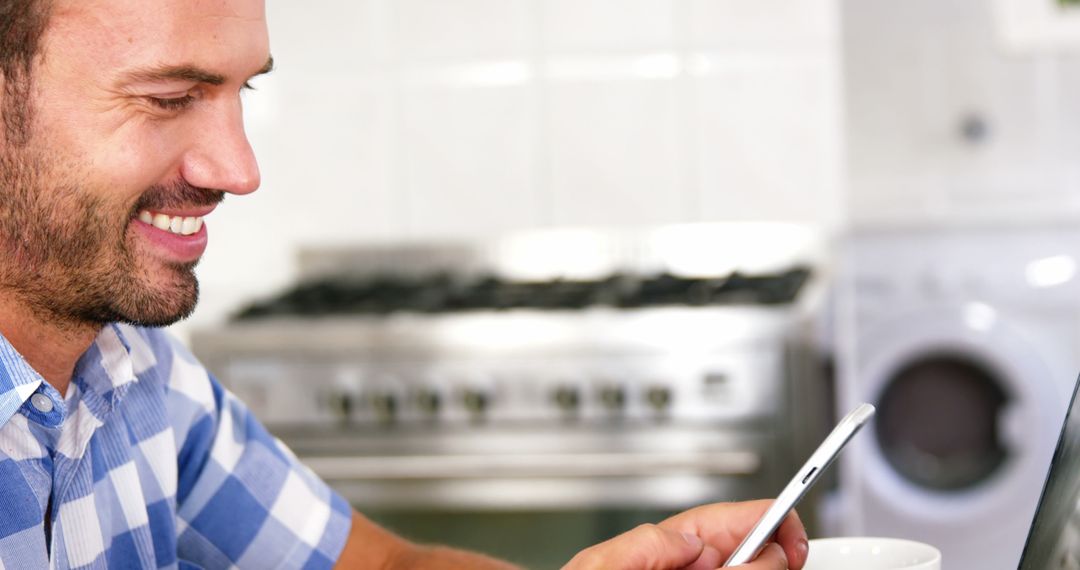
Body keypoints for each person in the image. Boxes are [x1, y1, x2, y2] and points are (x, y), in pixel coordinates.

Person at [0, 0, 810, 568]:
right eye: (169, 97)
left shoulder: (139, 375)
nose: (240, 170)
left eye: (239, 91)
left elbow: (384, 567)